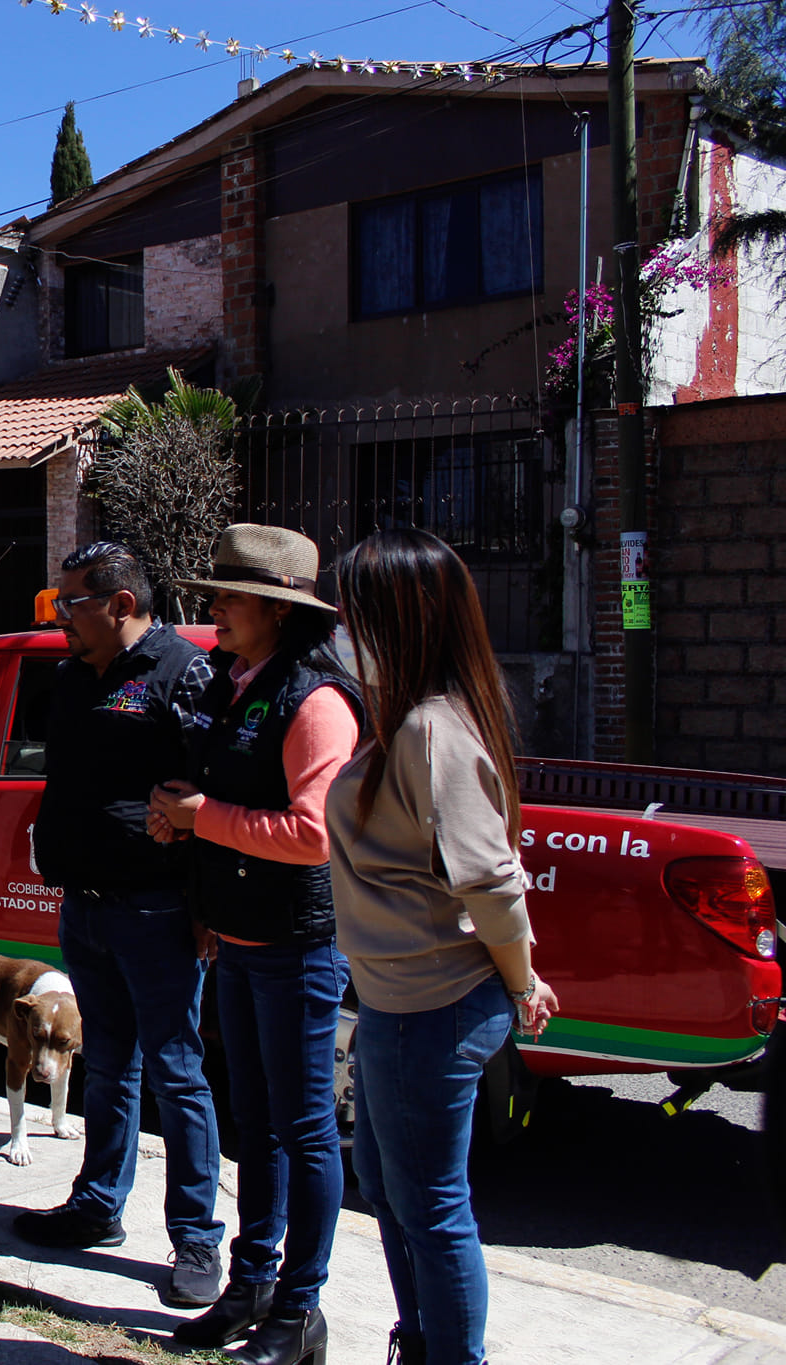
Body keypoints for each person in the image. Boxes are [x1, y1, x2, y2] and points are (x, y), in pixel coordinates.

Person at [327, 529, 559, 1365]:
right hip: (397, 1005)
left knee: (428, 1204)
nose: (341, 631)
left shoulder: (433, 730)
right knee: (391, 1191)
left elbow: (491, 881)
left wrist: (525, 979)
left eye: (354, 613)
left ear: (403, 619)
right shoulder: (406, 723)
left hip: (434, 1008)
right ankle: (421, 1339)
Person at [148, 525, 363, 1365]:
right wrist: (191, 839)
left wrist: (205, 818)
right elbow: (231, 801)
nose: (214, 607)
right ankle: (253, 1284)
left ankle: (300, 1310)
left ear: (279, 609)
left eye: (231, 596)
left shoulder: (317, 699)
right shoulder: (240, 683)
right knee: (256, 1124)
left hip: (298, 946)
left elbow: (314, 836)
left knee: (305, 1129)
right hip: (236, 939)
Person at [13, 540, 227, 1312]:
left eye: (71, 602)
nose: (60, 615)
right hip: (87, 905)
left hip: (157, 908)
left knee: (177, 1069)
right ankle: (98, 1204)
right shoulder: (71, 677)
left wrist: (204, 905)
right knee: (106, 1063)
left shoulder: (182, 672)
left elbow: (211, 794)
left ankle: (197, 1234)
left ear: (121, 604)